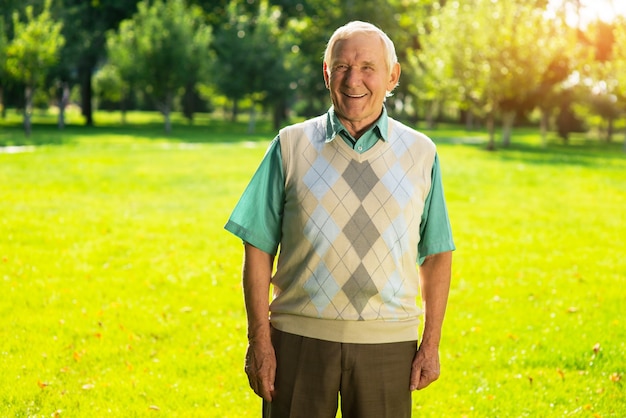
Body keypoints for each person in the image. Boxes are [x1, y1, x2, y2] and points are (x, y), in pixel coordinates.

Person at [225, 20, 455, 418]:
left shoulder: (422, 153)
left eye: (368, 67)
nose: (354, 80)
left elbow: (435, 255)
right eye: (343, 67)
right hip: (297, 342)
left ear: (392, 76)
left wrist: (431, 344)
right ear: (326, 72)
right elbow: (257, 247)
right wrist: (259, 341)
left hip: (388, 344)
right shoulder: (290, 145)